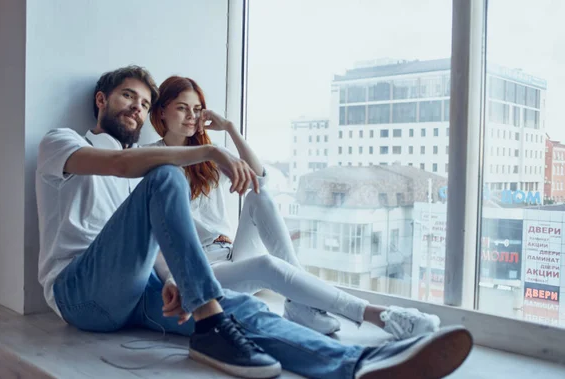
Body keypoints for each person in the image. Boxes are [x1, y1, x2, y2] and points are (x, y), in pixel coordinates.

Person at [36, 65, 473, 379]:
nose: (137, 107)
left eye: (144, 101)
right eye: (129, 96)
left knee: (242, 308)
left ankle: (356, 365)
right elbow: (115, 166)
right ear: (101, 101)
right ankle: (212, 327)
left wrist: (175, 281)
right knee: (166, 175)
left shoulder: (142, 174)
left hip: (134, 292)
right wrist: (208, 150)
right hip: (77, 291)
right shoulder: (64, 142)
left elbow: (153, 241)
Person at [149, 75, 441, 339]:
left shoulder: (208, 155)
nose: (191, 116)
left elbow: (258, 178)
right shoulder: (150, 159)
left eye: (197, 108)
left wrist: (231, 129)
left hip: (230, 253)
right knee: (266, 265)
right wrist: (174, 277)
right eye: (182, 108)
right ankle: (380, 316)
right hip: (202, 268)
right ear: (162, 111)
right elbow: (153, 234)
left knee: (259, 196)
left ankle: (301, 304)